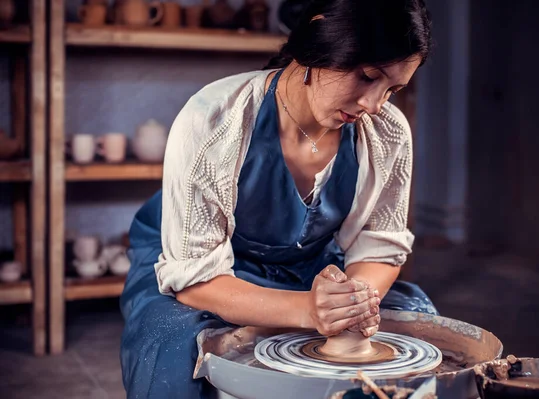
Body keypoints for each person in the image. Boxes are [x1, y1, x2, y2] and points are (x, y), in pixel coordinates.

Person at [119, 0, 435, 397]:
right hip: (202, 269)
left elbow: (380, 247)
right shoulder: (216, 117)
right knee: (172, 340)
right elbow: (194, 278)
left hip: (309, 266)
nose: (374, 104)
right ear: (320, 39)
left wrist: (348, 305)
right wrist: (309, 310)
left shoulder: (387, 132)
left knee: (417, 319)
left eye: (393, 89)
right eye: (367, 76)